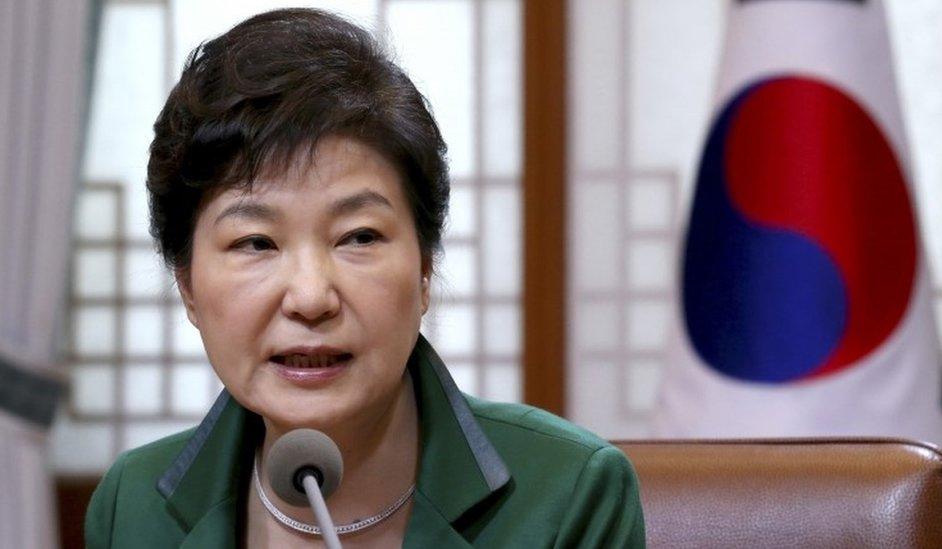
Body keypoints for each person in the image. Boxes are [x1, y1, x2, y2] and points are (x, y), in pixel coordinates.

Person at [84, 8, 645, 548]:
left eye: (358, 237)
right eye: (256, 243)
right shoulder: (131, 507)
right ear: (187, 285)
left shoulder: (570, 495)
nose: (310, 297)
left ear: (426, 268)